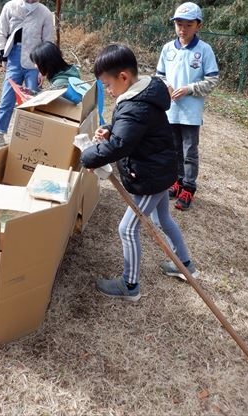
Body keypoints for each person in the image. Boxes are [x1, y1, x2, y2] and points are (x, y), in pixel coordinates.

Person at [80, 44, 199, 302]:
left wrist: (87, 155)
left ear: (123, 77)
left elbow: (121, 145)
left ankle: (130, 285)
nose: (108, 92)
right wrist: (113, 128)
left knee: (127, 229)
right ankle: (185, 265)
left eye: (108, 85)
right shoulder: (146, 91)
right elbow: (133, 129)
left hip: (151, 175)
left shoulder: (135, 105)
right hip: (161, 168)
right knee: (162, 220)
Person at [156, 2, 219, 210]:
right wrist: (166, 86)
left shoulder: (204, 50)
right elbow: (160, 75)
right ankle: (176, 180)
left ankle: (189, 187)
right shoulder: (167, 49)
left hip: (191, 113)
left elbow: (212, 80)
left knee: (189, 150)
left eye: (188, 25)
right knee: (173, 148)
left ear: (198, 26)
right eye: (179, 24)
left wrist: (188, 89)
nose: (182, 29)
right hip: (170, 110)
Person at [0, 0, 55, 149]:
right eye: (27, 0)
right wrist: (3, 57)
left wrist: (43, 68)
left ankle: (31, 139)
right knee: (7, 96)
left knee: (32, 99)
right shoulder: (10, 7)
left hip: (35, 59)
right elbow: (2, 32)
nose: (30, 4)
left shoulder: (45, 13)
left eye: (34, 1)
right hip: (13, 56)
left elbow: (48, 41)